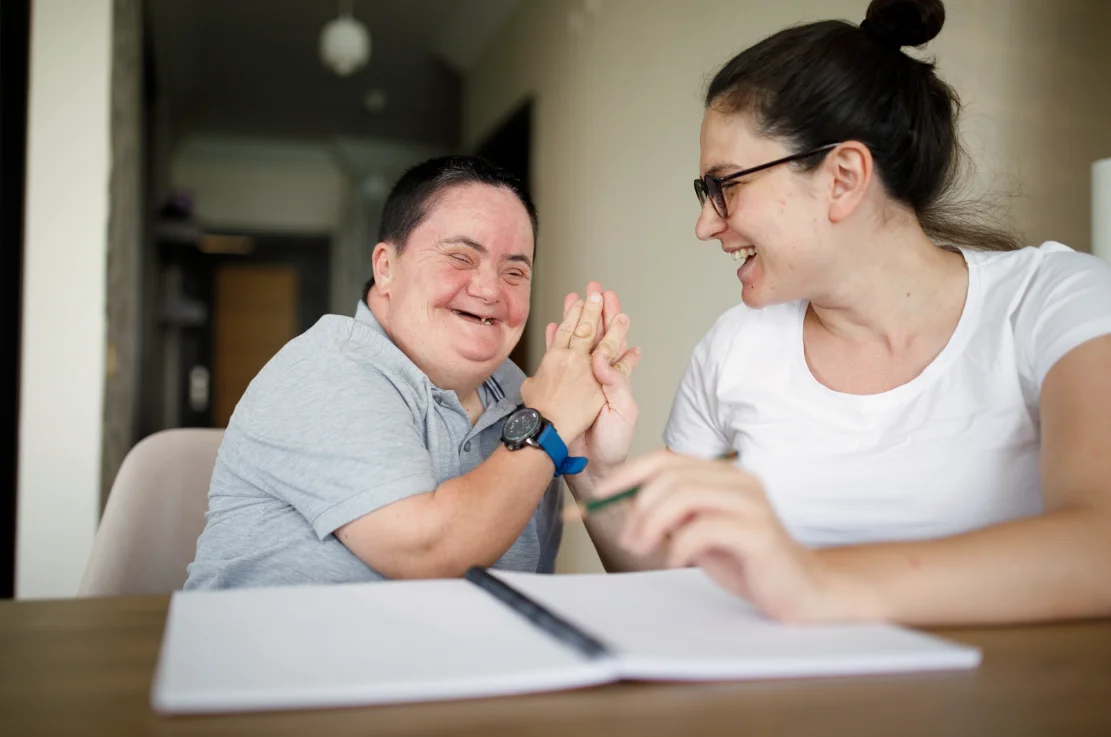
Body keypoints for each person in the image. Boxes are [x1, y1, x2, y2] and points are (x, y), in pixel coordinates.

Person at [577, 0, 1111, 626]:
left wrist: (816, 583)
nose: (705, 224)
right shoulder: (732, 350)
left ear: (843, 177)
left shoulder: (1056, 301)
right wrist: (593, 468)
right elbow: (675, 584)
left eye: (725, 186)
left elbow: (1098, 546)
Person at [184, 156, 639, 589]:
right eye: (460, 257)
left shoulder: (527, 396)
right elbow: (430, 554)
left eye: (515, 272)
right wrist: (547, 426)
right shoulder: (327, 369)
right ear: (385, 267)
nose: (488, 290)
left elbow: (557, 594)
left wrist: (590, 468)